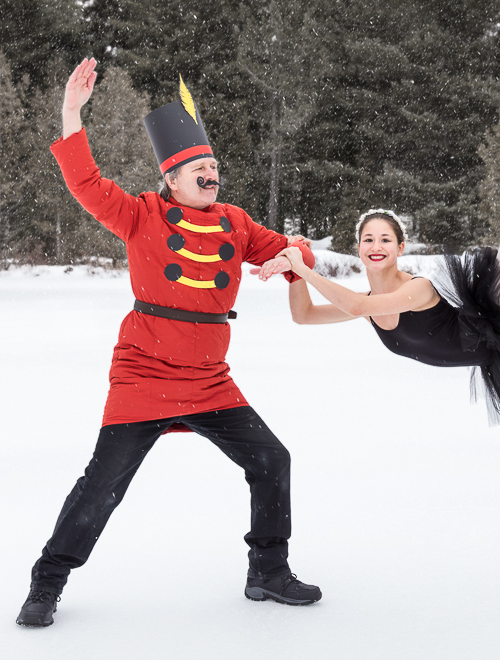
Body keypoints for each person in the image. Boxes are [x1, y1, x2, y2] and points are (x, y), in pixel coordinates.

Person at [259, 28, 500, 607]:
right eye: (366, 238)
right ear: (359, 248)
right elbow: (305, 317)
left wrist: (302, 266)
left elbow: (355, 305)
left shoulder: (415, 289)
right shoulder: (367, 300)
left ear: (399, 248)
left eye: (385, 238)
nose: (375, 245)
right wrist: (293, 266)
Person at [17, 60, 321, 627]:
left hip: (209, 381)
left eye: (214, 166)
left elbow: (297, 255)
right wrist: (70, 112)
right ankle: (47, 582)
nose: (211, 174)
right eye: (200, 167)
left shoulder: (236, 222)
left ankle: (268, 571)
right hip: (144, 378)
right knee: (102, 484)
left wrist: (290, 255)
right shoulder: (140, 215)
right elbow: (85, 182)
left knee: (271, 459)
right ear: (172, 178)